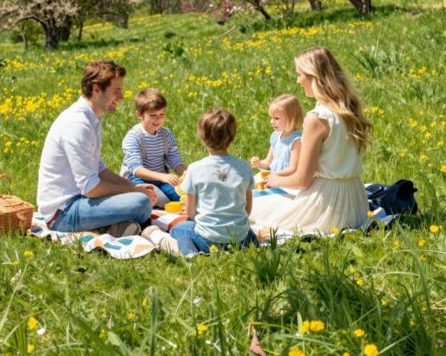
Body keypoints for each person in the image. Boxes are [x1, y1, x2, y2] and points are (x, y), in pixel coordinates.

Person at [250, 47, 371, 237]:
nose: (298, 80)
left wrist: (274, 179)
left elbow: (302, 180)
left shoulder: (316, 118)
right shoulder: (348, 109)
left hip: (327, 206)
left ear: (313, 76)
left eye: (300, 74)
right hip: (355, 202)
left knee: (249, 206)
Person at [36, 60, 156, 235]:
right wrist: (133, 191)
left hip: (82, 200)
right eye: (116, 91)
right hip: (64, 213)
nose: (121, 97)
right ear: (96, 89)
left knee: (144, 193)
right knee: (141, 203)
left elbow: (99, 169)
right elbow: (91, 188)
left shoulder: (92, 117)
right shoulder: (78, 124)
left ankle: (113, 227)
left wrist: (133, 185)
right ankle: (109, 226)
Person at [143, 107, 258, 257]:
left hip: (207, 239)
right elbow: (247, 210)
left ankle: (190, 253)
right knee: (249, 231)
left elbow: (191, 213)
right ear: (233, 136)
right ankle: (254, 248)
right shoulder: (244, 167)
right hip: (239, 238)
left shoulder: (195, 169)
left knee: (179, 230)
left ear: (202, 136)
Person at [120, 88, 187, 205]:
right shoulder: (133, 137)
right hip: (137, 180)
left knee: (181, 196)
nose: (158, 119)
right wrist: (162, 177)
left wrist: (186, 173)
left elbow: (175, 160)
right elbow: (136, 169)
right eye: (153, 115)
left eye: (162, 114)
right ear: (139, 114)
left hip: (161, 179)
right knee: (153, 199)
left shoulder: (166, 134)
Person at [250, 94, 304, 177]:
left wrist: (275, 176)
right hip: (273, 179)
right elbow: (268, 162)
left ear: (291, 118)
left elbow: (294, 169)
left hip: (286, 182)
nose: (272, 121)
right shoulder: (276, 136)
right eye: (271, 118)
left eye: (276, 118)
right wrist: (259, 163)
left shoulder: (296, 141)